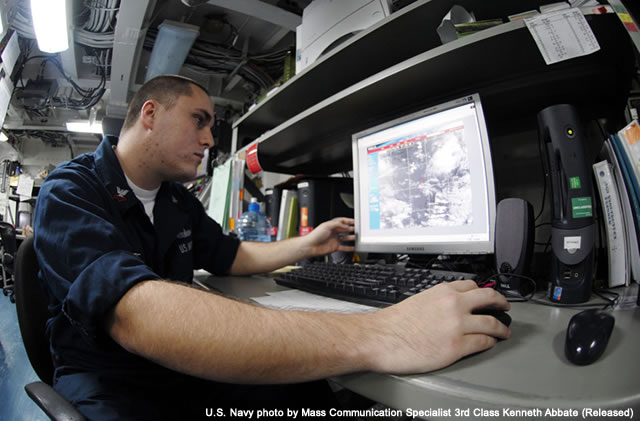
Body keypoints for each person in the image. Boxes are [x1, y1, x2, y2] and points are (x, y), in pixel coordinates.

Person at [33, 75, 510, 420]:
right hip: (109, 378)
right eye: (199, 121)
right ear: (151, 114)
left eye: (212, 127)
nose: (209, 140)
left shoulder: (176, 200)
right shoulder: (71, 190)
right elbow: (135, 315)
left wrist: (307, 244)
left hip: (176, 370)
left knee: (312, 395)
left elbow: (232, 257)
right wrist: (382, 334)